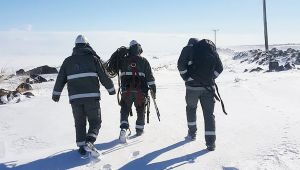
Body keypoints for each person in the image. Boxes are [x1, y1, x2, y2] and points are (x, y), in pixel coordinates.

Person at [52, 35, 116, 155]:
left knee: (79, 123)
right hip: (92, 98)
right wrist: (111, 89)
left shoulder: (67, 61)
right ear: (87, 45)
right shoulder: (93, 59)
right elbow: (103, 76)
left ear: (75, 46)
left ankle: (82, 148)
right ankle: (90, 141)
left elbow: (60, 79)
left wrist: (56, 94)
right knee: (95, 121)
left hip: (75, 99)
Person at [177, 38, 223, 151]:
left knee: (191, 108)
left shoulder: (187, 49)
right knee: (209, 114)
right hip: (208, 88)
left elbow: (181, 65)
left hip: (192, 88)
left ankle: (192, 134)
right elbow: (220, 68)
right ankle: (211, 143)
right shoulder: (209, 50)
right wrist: (210, 78)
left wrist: (187, 78)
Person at [117, 40, 156, 142]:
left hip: (126, 91)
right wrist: (153, 89)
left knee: (125, 110)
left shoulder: (123, 60)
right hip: (140, 92)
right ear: (139, 49)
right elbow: (150, 78)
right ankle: (139, 130)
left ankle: (123, 129)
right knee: (140, 110)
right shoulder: (144, 61)